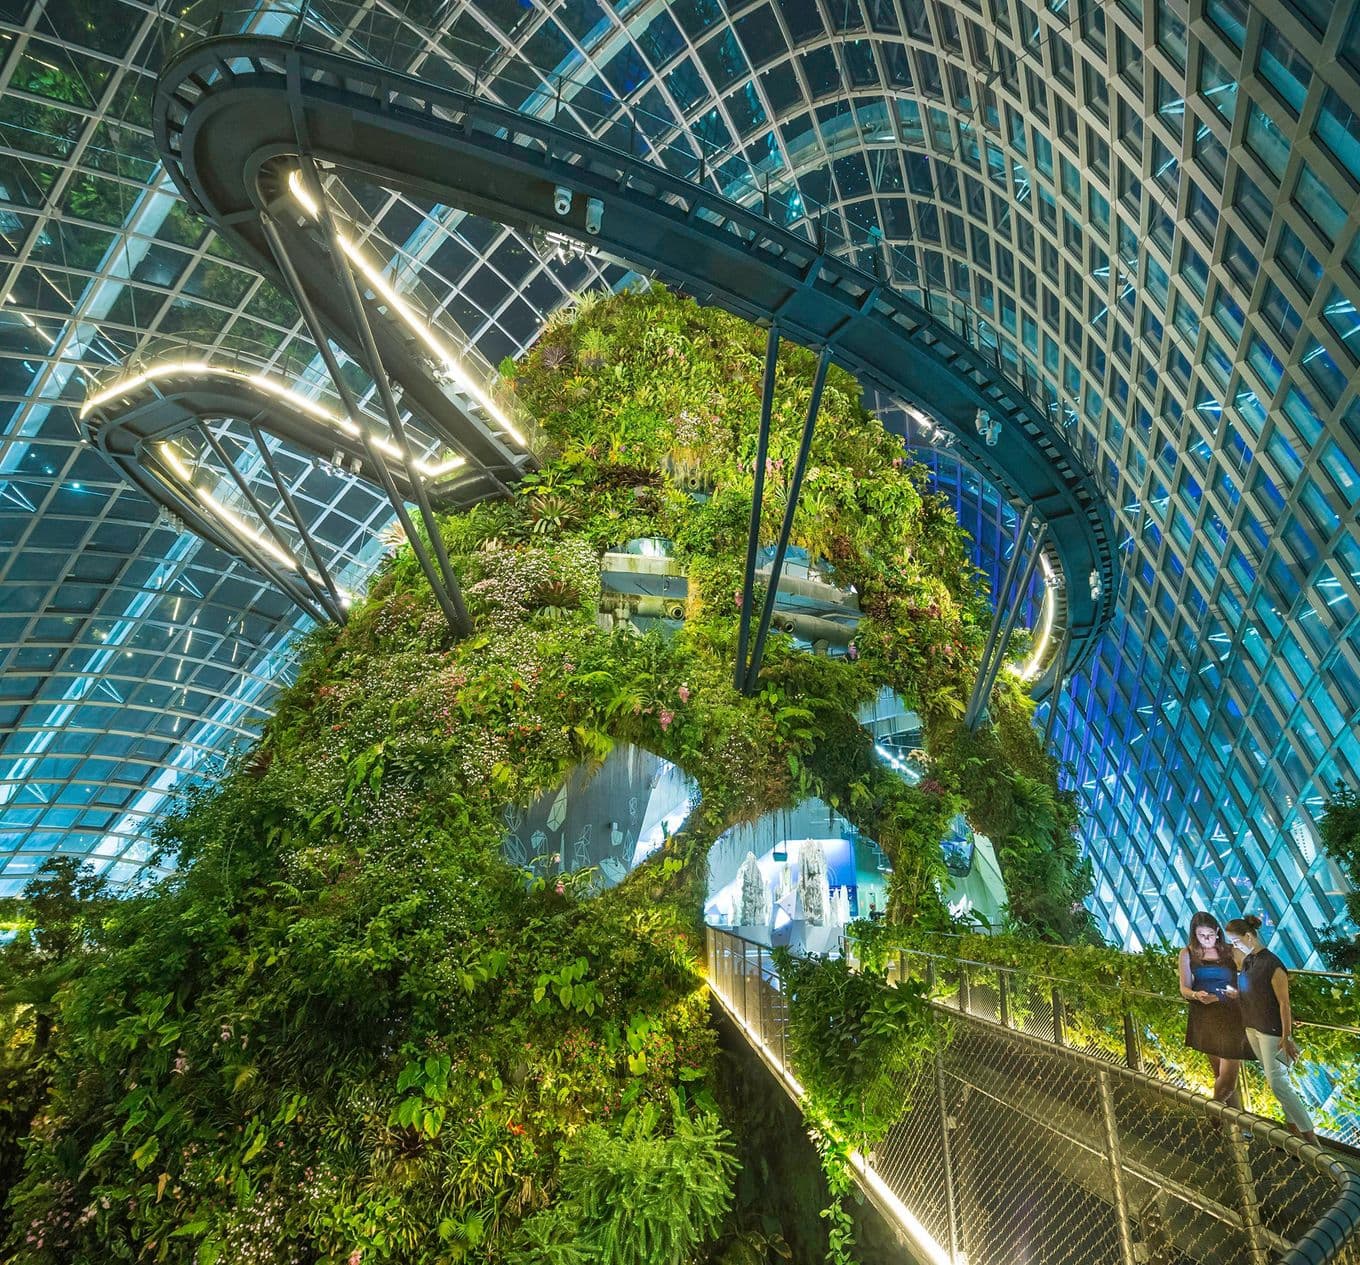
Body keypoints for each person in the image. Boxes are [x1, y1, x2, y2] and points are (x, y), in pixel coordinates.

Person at [1224, 915, 1318, 1143]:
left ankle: (1311, 1140)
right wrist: (1237, 994)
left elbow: (1284, 1003)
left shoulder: (1273, 964)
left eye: (1236, 942)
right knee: (1278, 1083)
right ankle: (1296, 1136)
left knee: (1278, 1083)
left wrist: (1286, 1037)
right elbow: (1253, 990)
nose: (1235, 947)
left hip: (1270, 1030)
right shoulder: (1249, 962)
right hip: (1253, 1027)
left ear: (1249, 936)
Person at [1178, 911, 1249, 1107]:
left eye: (1210, 934)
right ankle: (1232, 1124)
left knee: (1227, 1082)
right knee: (1218, 1073)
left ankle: (1212, 1113)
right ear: (1194, 935)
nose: (1206, 939)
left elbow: (1249, 976)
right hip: (1206, 1016)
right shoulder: (1187, 953)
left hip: (1231, 1017)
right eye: (1201, 935)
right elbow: (1184, 988)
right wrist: (1195, 995)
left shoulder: (1231, 951)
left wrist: (1238, 992)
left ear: (1217, 931)